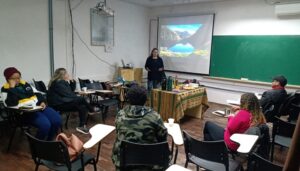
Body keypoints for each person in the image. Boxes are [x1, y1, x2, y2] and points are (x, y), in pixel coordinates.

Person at [112, 85, 167, 170]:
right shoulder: (155, 116)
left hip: (123, 162)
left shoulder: (120, 114)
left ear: (128, 99)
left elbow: (118, 132)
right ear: (146, 100)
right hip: (150, 164)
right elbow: (163, 138)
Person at [1, 67, 61, 140]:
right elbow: (11, 104)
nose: (17, 80)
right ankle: (37, 144)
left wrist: (42, 101)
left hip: (38, 107)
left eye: (18, 78)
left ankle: (49, 140)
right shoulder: (5, 89)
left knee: (57, 120)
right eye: (13, 78)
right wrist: (12, 88)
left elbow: (38, 93)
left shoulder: (25, 84)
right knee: (45, 125)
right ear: (7, 79)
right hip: (24, 113)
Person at [47, 68, 95, 134]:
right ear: (62, 75)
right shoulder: (58, 83)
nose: (68, 75)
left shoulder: (62, 82)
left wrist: (72, 83)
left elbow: (70, 92)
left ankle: (81, 126)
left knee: (82, 106)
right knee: (81, 99)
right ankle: (92, 110)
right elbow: (69, 94)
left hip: (62, 102)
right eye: (66, 73)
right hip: (58, 105)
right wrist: (77, 97)